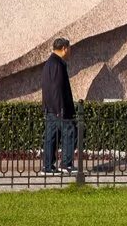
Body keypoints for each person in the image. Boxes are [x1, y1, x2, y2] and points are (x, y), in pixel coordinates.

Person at [41, 37, 76, 175]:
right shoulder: (57, 64)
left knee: (51, 137)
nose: (70, 52)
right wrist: (60, 109)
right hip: (58, 109)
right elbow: (56, 88)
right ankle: (66, 164)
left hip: (51, 108)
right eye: (69, 49)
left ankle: (48, 166)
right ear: (64, 49)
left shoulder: (50, 63)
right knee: (70, 132)